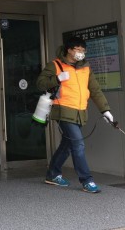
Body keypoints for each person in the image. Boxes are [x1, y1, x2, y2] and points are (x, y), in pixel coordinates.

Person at [37, 36, 115, 194]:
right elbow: (40, 83)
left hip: (80, 112)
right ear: (69, 50)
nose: (81, 53)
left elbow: (95, 90)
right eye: (78, 49)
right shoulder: (55, 65)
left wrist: (105, 110)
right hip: (63, 110)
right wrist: (57, 78)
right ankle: (87, 180)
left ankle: (52, 174)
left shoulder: (86, 68)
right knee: (78, 145)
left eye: (83, 50)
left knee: (67, 145)